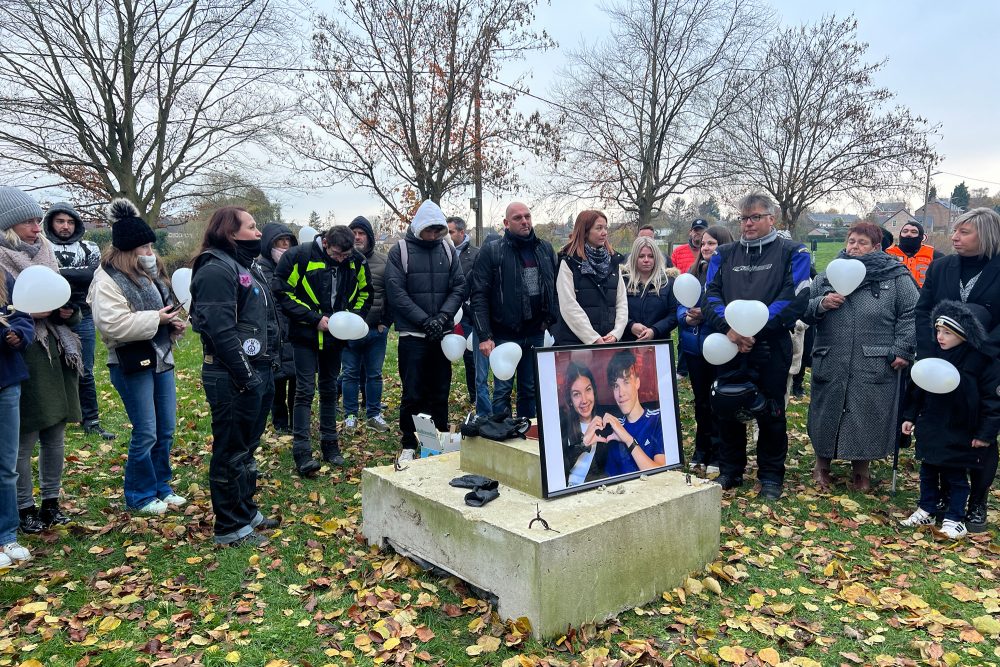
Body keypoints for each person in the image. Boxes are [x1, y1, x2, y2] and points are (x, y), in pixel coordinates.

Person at [704, 193, 811, 500]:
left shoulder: (794, 251)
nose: (747, 224)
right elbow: (710, 295)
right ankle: (730, 470)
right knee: (727, 406)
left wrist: (756, 329)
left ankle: (771, 476)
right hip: (730, 343)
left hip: (771, 343)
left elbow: (796, 297)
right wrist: (732, 330)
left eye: (754, 218)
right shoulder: (723, 254)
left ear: (771, 219)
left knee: (772, 412)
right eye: (743, 218)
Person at [190, 206, 282, 547]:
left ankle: (245, 510)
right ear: (231, 232)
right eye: (252, 227)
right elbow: (220, 331)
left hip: (257, 371)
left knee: (246, 447)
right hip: (231, 375)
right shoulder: (215, 269)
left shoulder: (246, 265)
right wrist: (245, 375)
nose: (259, 233)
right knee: (230, 450)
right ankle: (229, 526)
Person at [802, 223, 918, 492]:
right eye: (851, 241)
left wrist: (903, 348)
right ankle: (822, 465)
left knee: (866, 413)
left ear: (876, 247)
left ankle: (861, 470)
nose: (854, 247)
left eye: (862, 242)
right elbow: (804, 309)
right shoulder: (830, 273)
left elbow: (912, 313)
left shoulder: (895, 276)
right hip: (831, 357)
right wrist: (821, 304)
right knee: (826, 411)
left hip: (874, 361)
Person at [89, 199, 186, 515]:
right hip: (129, 362)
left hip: (160, 357)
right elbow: (113, 325)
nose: (149, 252)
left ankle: (162, 487)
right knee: (146, 431)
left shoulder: (154, 273)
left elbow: (165, 308)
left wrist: (173, 323)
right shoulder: (106, 280)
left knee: (166, 429)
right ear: (127, 250)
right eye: (143, 247)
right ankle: (140, 494)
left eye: (150, 246)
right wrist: (158, 319)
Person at [0, 187, 80, 532]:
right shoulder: (1, 260)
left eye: (37, 220)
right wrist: (28, 315)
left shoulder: (46, 252)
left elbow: (61, 297)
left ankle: (51, 501)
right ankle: (24, 506)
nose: (37, 228)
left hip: (57, 352)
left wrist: (67, 311)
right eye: (28, 222)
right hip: (25, 353)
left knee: (55, 433)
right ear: (8, 225)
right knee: (24, 436)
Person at [915, 208, 1000, 532]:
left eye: (964, 232)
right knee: (942, 426)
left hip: (985, 366)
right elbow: (923, 311)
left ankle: (976, 501)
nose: (955, 237)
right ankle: (943, 497)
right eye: (955, 231)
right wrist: (927, 354)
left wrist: (982, 355)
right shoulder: (941, 267)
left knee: (978, 434)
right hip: (940, 364)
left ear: (986, 234)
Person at [273, 226, 371, 475]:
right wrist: (313, 318)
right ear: (325, 242)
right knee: (304, 391)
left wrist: (351, 319)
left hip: (335, 338)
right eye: (337, 254)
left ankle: (331, 445)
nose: (341, 259)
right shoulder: (299, 256)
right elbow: (283, 291)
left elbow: (365, 293)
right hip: (305, 334)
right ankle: (302, 451)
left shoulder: (356, 261)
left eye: (345, 255)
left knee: (329, 389)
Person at [900, 301, 1000, 539]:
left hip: (961, 429)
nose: (940, 337)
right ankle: (927, 507)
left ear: (964, 334)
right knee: (928, 471)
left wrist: (985, 434)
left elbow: (992, 402)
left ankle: (955, 518)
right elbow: (918, 389)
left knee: (955, 476)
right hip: (932, 425)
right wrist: (910, 416)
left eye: (947, 333)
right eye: (938, 331)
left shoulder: (981, 361)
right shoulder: (933, 356)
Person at [385, 200, 467, 462]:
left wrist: (443, 316)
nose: (432, 236)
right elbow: (396, 292)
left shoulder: (447, 248)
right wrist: (424, 321)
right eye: (428, 231)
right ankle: (409, 440)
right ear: (419, 227)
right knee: (413, 391)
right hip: (413, 335)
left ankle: (436, 439)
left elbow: (459, 286)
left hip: (441, 335)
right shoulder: (400, 251)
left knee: (440, 390)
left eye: (437, 231)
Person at [471, 202, 558, 419]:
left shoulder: (544, 249)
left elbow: (553, 287)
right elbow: (479, 294)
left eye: (527, 216)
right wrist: (484, 335)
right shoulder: (492, 251)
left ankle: (527, 436)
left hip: (535, 333)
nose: (524, 221)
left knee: (529, 390)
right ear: (506, 223)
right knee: (502, 391)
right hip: (504, 334)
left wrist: (550, 320)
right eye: (518, 218)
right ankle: (502, 437)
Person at [44, 202, 114, 440]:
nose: (65, 226)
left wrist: (63, 276)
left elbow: (92, 276)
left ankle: (91, 419)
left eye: (70, 221)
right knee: (52, 369)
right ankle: (55, 419)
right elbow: (45, 280)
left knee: (85, 368)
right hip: (46, 316)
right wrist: (73, 276)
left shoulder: (89, 247)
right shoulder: (42, 248)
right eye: (60, 221)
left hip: (82, 314)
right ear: (51, 223)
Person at [678, 225, 733, 470]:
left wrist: (706, 315)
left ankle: (720, 452)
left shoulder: (731, 275)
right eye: (704, 244)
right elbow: (680, 305)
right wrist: (686, 317)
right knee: (700, 402)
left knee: (718, 401)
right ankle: (702, 450)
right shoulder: (693, 272)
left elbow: (730, 310)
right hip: (693, 347)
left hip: (719, 347)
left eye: (712, 243)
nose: (707, 248)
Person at [0, 216, 35, 566]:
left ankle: (6, 535)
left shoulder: (4, 277)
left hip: (6, 379)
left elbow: (20, 314)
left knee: (6, 464)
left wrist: (19, 334)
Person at [342, 216, 391, 432]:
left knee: (374, 374)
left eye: (361, 233)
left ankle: (373, 414)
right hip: (348, 332)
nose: (357, 236)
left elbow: (392, 294)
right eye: (353, 232)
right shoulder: (341, 260)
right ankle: (350, 416)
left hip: (376, 331)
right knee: (350, 374)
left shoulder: (384, 261)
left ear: (369, 237)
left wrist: (386, 321)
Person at [552, 210, 628, 346]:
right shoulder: (569, 262)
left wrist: (616, 333)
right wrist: (592, 338)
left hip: (609, 341)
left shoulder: (613, 262)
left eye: (605, 228)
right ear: (585, 231)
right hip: (576, 343)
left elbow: (621, 302)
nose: (604, 232)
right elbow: (568, 305)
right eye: (599, 228)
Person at [257, 223, 297, 434]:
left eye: (287, 240)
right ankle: (280, 422)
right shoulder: (260, 269)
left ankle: (296, 420)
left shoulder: (295, 265)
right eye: (280, 241)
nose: (284, 245)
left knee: (297, 380)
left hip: (295, 329)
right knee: (278, 382)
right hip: (274, 333)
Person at [601, 349, 666, 476]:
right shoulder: (614, 428)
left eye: (626, 382)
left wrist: (627, 439)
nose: (621, 393)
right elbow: (611, 481)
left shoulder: (657, 419)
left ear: (637, 382)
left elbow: (661, 475)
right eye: (615, 386)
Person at [446, 216, 482, 412]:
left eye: (451, 232)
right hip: (445, 313)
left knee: (471, 357)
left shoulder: (476, 254)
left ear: (461, 232)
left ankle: (475, 395)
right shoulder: (441, 252)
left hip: (467, 314)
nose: (448, 236)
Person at [561, 362, 608, 486]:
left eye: (588, 390)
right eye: (576, 394)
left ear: (594, 391)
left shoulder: (606, 424)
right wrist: (583, 444)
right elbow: (556, 469)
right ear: (570, 399)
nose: (584, 400)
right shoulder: (563, 425)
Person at [622, 236, 677, 342]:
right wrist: (630, 325)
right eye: (641, 256)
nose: (646, 260)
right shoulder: (622, 282)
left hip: (659, 343)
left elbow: (674, 314)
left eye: (651, 256)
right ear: (634, 258)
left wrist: (654, 330)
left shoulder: (668, 282)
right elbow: (615, 310)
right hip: (627, 344)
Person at [886, 221, 943, 288]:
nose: (908, 234)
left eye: (914, 232)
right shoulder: (887, 254)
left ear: (921, 237)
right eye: (905, 231)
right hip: (894, 296)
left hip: (924, 296)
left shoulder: (935, 256)